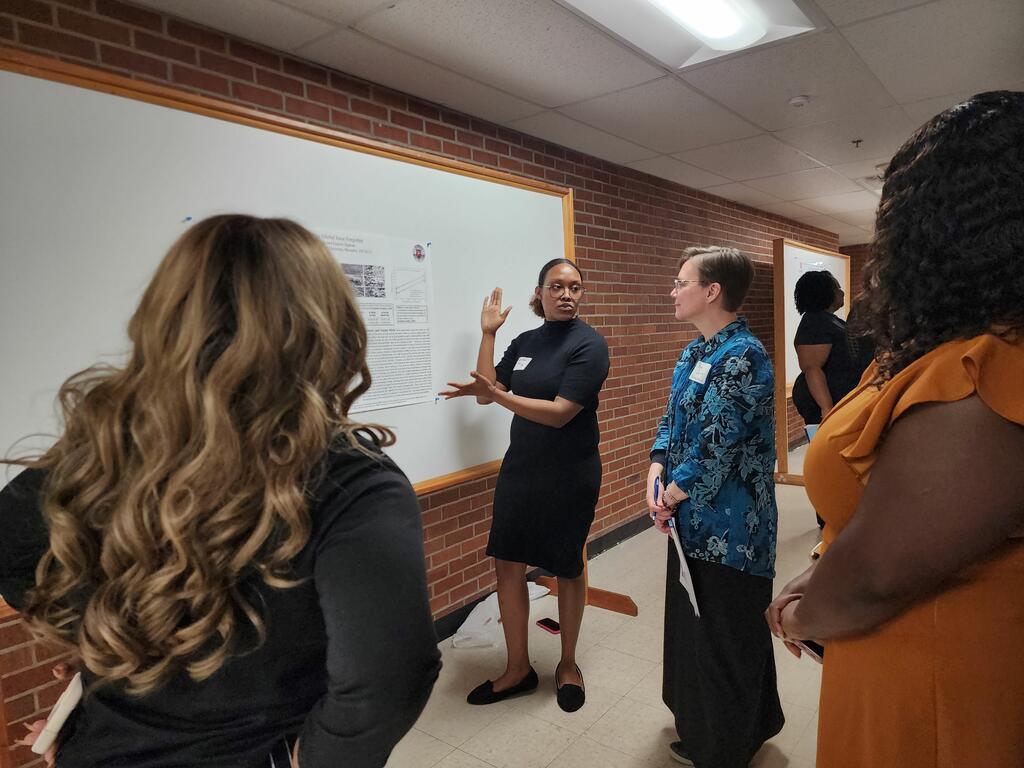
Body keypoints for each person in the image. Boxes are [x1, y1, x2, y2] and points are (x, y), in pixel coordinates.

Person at [0, 215, 441, 768]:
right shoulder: (349, 478)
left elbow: (13, 547)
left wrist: (90, 636)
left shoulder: (106, 448)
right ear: (327, 325)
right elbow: (390, 676)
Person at [766, 91, 1024, 768]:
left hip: (934, 685)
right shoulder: (932, 345)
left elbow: (876, 577)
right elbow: (891, 516)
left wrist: (796, 614)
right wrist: (823, 562)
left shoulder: (994, 363)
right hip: (882, 648)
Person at [440, 258, 609, 713]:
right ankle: (518, 668)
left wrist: (499, 397)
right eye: (557, 286)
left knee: (568, 567)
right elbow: (484, 389)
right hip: (522, 471)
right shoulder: (527, 341)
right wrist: (489, 334)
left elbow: (559, 413)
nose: (567, 294)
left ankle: (568, 663)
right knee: (508, 563)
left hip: (571, 473)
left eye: (575, 287)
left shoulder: (590, 345)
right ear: (540, 293)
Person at [646, 246, 784, 767]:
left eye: (681, 281)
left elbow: (716, 446)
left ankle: (727, 742)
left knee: (728, 634)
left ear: (712, 292)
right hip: (688, 523)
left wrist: (670, 497)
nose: (673, 290)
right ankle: (715, 723)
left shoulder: (744, 355)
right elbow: (672, 425)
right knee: (696, 631)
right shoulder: (693, 353)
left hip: (732, 530)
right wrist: (656, 471)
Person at [791, 270, 859, 427]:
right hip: (829, 405)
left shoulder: (828, 320)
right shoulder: (815, 323)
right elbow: (812, 368)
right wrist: (827, 409)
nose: (841, 292)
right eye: (837, 287)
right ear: (824, 293)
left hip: (840, 400)